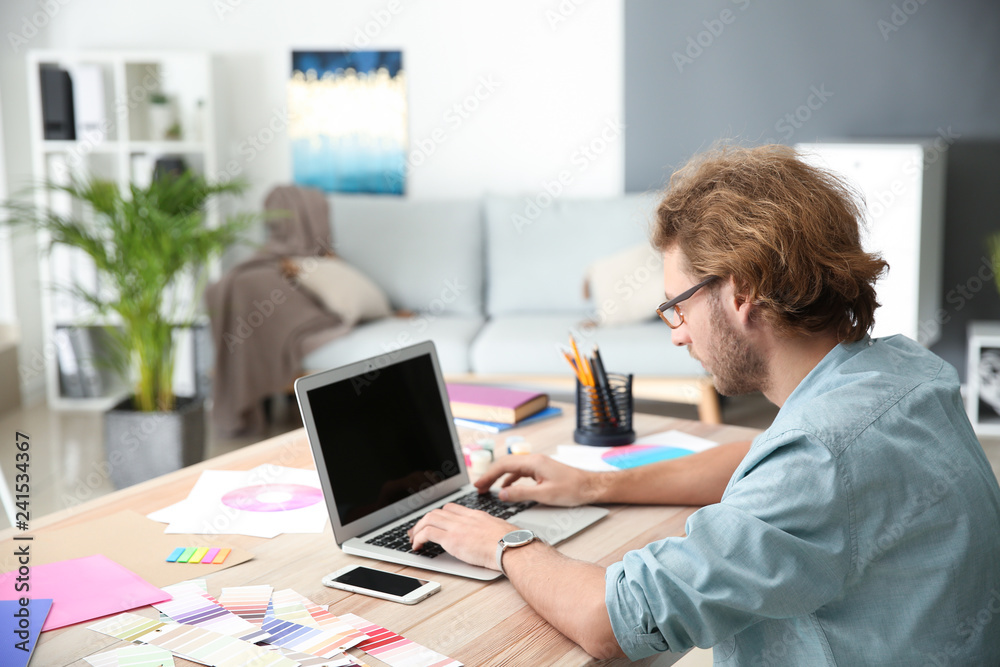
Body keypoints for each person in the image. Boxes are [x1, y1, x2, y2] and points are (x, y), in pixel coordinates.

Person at [410, 144, 1000, 664]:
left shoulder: (817, 458)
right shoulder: (901, 371)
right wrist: (592, 485)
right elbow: (767, 459)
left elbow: (614, 621)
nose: (677, 332)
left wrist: (501, 543)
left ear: (742, 292)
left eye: (678, 305)